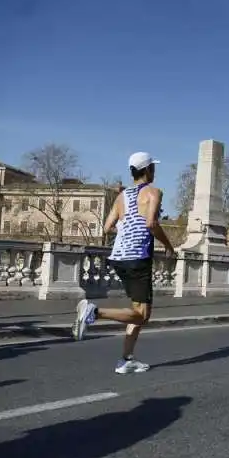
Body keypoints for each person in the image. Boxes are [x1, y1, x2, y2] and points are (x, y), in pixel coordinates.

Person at [71, 151, 175, 374]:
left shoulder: (121, 197)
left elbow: (107, 227)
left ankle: (126, 360)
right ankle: (94, 313)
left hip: (118, 257)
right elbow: (151, 223)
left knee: (137, 310)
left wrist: (124, 229)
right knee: (142, 315)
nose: (155, 171)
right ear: (147, 170)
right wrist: (168, 245)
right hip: (138, 257)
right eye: (153, 168)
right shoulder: (153, 192)